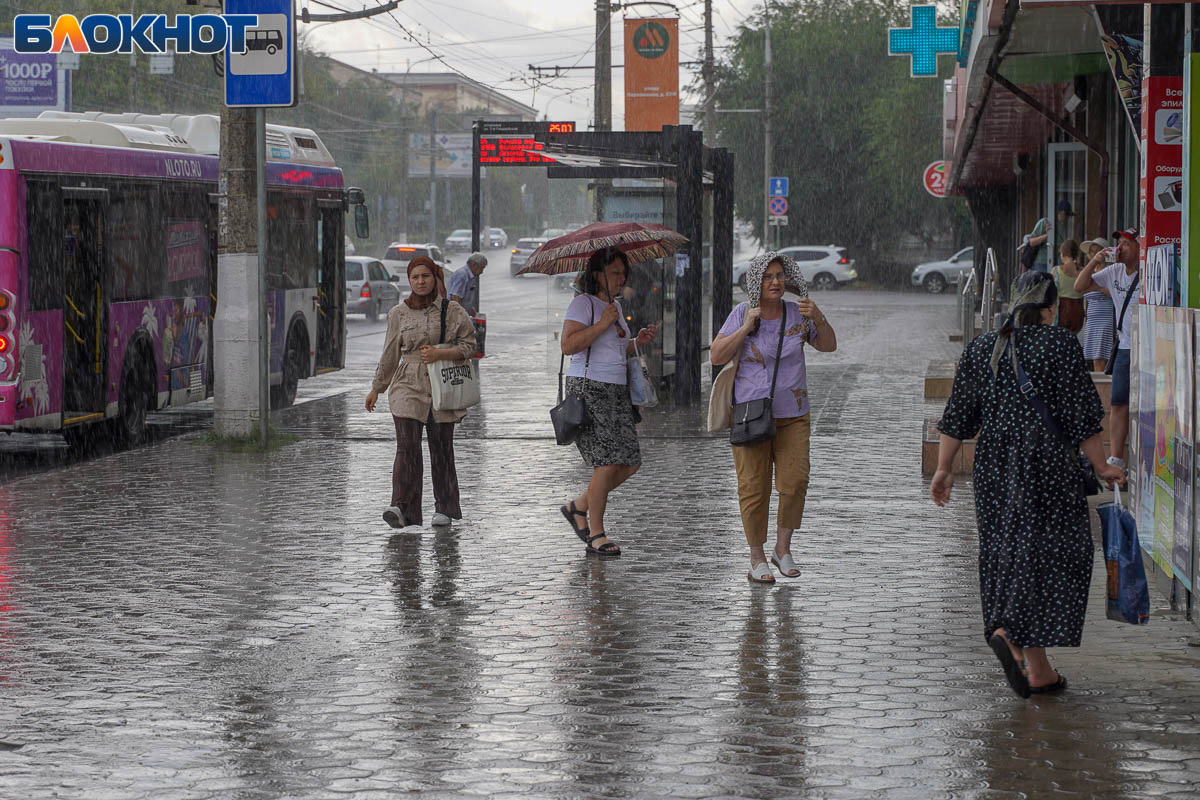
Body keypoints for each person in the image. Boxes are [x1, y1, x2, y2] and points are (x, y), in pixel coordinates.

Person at [931, 271, 1124, 697]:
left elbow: (958, 413)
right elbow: (1080, 415)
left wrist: (944, 468)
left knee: (1008, 551)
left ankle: (1035, 667)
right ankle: (1012, 634)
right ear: (1050, 308)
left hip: (994, 466)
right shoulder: (1060, 344)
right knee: (1058, 552)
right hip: (1048, 464)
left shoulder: (984, 346)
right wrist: (1103, 465)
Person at [710, 253, 837, 584]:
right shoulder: (742, 313)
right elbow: (716, 355)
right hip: (751, 414)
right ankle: (757, 557)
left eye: (780, 276)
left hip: (794, 414)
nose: (776, 282)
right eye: (768, 277)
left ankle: (783, 549)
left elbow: (829, 346)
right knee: (754, 487)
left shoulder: (798, 314)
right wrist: (745, 329)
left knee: (795, 481)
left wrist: (819, 317)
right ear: (756, 282)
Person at [558, 247, 659, 557]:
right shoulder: (583, 304)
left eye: (623, 272)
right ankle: (596, 533)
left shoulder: (612, 305)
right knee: (607, 462)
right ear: (598, 274)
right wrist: (602, 323)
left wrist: (635, 342)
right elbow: (568, 344)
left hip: (617, 391)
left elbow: (612, 348)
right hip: (590, 389)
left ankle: (579, 506)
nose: (621, 278)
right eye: (615, 272)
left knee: (630, 462)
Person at [366, 256, 476, 529]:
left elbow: (469, 344)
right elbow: (390, 353)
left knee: (441, 449)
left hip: (443, 386)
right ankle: (402, 508)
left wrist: (442, 352)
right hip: (408, 385)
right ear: (409, 280)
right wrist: (376, 388)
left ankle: (445, 507)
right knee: (407, 448)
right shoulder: (398, 313)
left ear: (435, 278)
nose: (420, 281)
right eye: (415, 277)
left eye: (425, 276)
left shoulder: (452, 310)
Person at [1074, 227, 1140, 469]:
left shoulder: (1150, 273)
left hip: (1150, 348)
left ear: (1139, 249)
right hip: (1125, 347)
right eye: (1119, 243)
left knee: (1149, 407)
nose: (1120, 247)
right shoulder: (1113, 272)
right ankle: (1116, 459)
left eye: (1126, 243)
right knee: (1118, 402)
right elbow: (1079, 287)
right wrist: (1094, 260)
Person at [1079, 238, 1114, 372]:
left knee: (1102, 359)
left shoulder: (1110, 271)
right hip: (1092, 321)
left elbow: (1114, 293)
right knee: (1094, 359)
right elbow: (1081, 291)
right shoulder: (1090, 273)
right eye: (1091, 251)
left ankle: (1104, 390)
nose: (1094, 254)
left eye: (1097, 251)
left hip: (1106, 320)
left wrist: (1097, 286)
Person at [1051, 239, 1084, 333]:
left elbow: (1050, 293)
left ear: (1062, 253)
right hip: (1078, 311)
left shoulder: (1056, 271)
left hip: (1062, 311)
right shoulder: (1082, 271)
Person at [448, 252, 486, 317]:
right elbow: (455, 297)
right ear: (474, 264)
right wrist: (460, 317)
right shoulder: (462, 275)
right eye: (481, 268)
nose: (482, 272)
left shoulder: (470, 276)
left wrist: (470, 309)